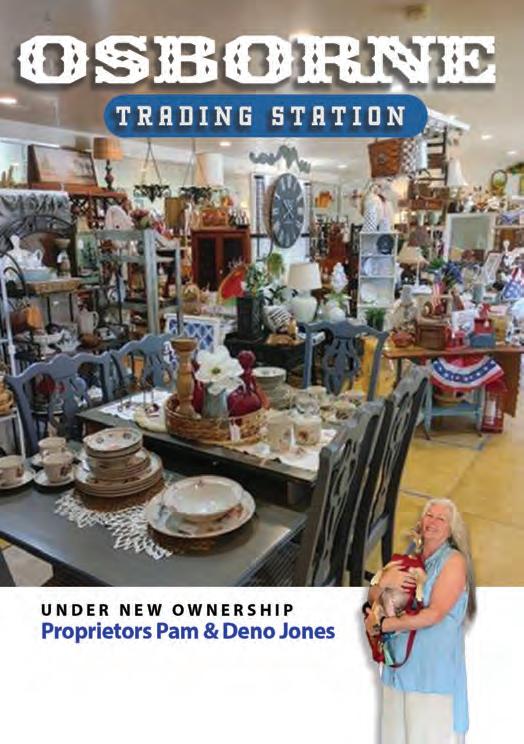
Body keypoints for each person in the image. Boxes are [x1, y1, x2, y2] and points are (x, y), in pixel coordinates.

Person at [364, 498, 476, 744]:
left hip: (430, 678)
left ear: (450, 530)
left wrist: (385, 625)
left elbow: (435, 614)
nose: (433, 522)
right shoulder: (407, 558)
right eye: (429, 515)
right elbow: (373, 595)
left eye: (441, 518)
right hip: (398, 673)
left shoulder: (453, 562)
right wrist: (385, 581)